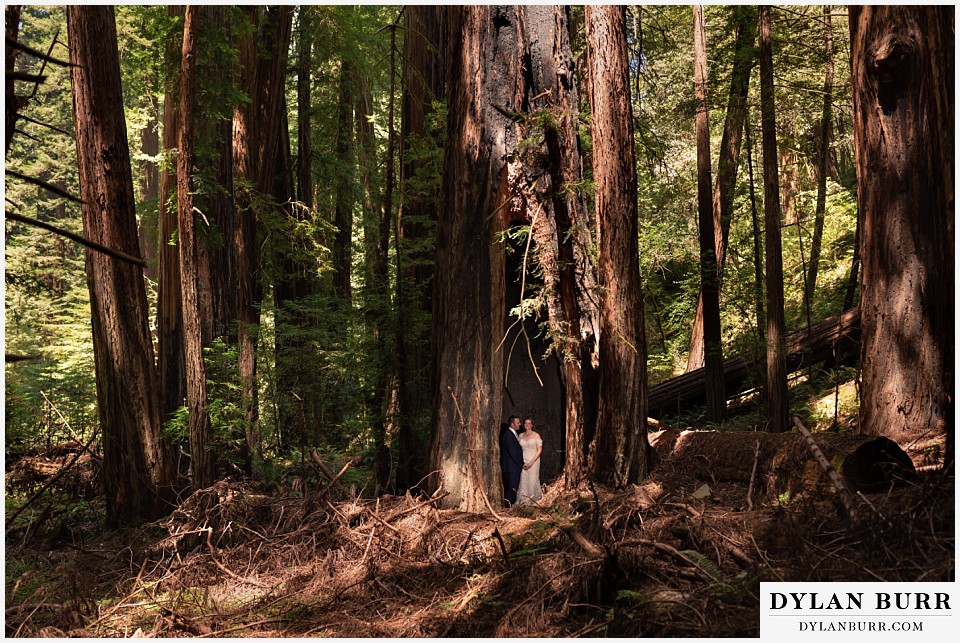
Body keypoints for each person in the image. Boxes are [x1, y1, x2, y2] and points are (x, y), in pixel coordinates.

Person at [515, 416, 543, 506]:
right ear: (523, 425)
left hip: (533, 460)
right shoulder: (520, 435)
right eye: (525, 423)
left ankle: (534, 500)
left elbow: (539, 450)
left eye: (529, 423)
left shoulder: (536, 435)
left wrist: (531, 462)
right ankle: (523, 501)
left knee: (532, 479)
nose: (527, 425)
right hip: (523, 461)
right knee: (523, 480)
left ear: (532, 425)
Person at [499, 415, 524, 507]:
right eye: (518, 423)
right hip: (511, 467)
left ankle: (509, 506)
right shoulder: (508, 435)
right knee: (511, 488)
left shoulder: (513, 434)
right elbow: (512, 452)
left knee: (512, 488)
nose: (520, 424)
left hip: (513, 467)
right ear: (512, 424)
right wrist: (521, 464)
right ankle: (507, 507)